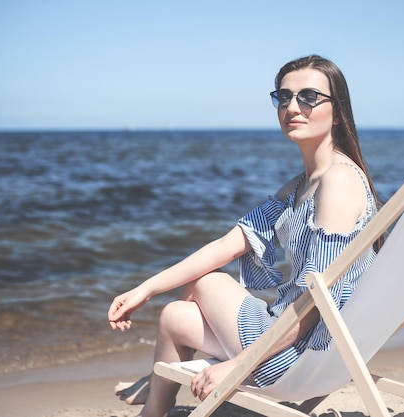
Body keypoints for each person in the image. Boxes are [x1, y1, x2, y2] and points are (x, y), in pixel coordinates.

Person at [108, 54, 380, 417]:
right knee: (173, 316)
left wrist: (237, 365)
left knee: (206, 283)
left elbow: (318, 302)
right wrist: (144, 289)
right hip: (308, 348)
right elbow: (228, 243)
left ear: (338, 111)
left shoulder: (339, 181)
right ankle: (153, 410)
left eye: (309, 97)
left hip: (300, 355)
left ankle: (153, 386)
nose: (292, 107)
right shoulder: (301, 186)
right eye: (283, 97)